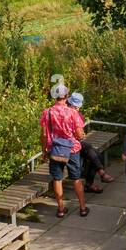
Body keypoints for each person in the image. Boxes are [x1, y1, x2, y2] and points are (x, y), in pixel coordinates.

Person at [40, 83, 88, 218]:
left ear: (54, 97)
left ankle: (61, 209)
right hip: (72, 149)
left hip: (55, 149)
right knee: (76, 178)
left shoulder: (47, 112)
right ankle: (83, 208)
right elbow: (79, 134)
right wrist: (81, 135)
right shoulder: (73, 113)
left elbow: (43, 134)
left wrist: (44, 150)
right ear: (66, 96)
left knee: (57, 178)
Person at [67, 91, 115, 193]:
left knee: (95, 153)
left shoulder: (78, 114)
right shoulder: (65, 113)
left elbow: (80, 133)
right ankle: (97, 177)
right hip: (67, 145)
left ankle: (92, 182)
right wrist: (80, 135)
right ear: (69, 104)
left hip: (75, 143)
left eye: (78, 106)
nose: (77, 108)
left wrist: (81, 134)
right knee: (90, 151)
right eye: (75, 106)